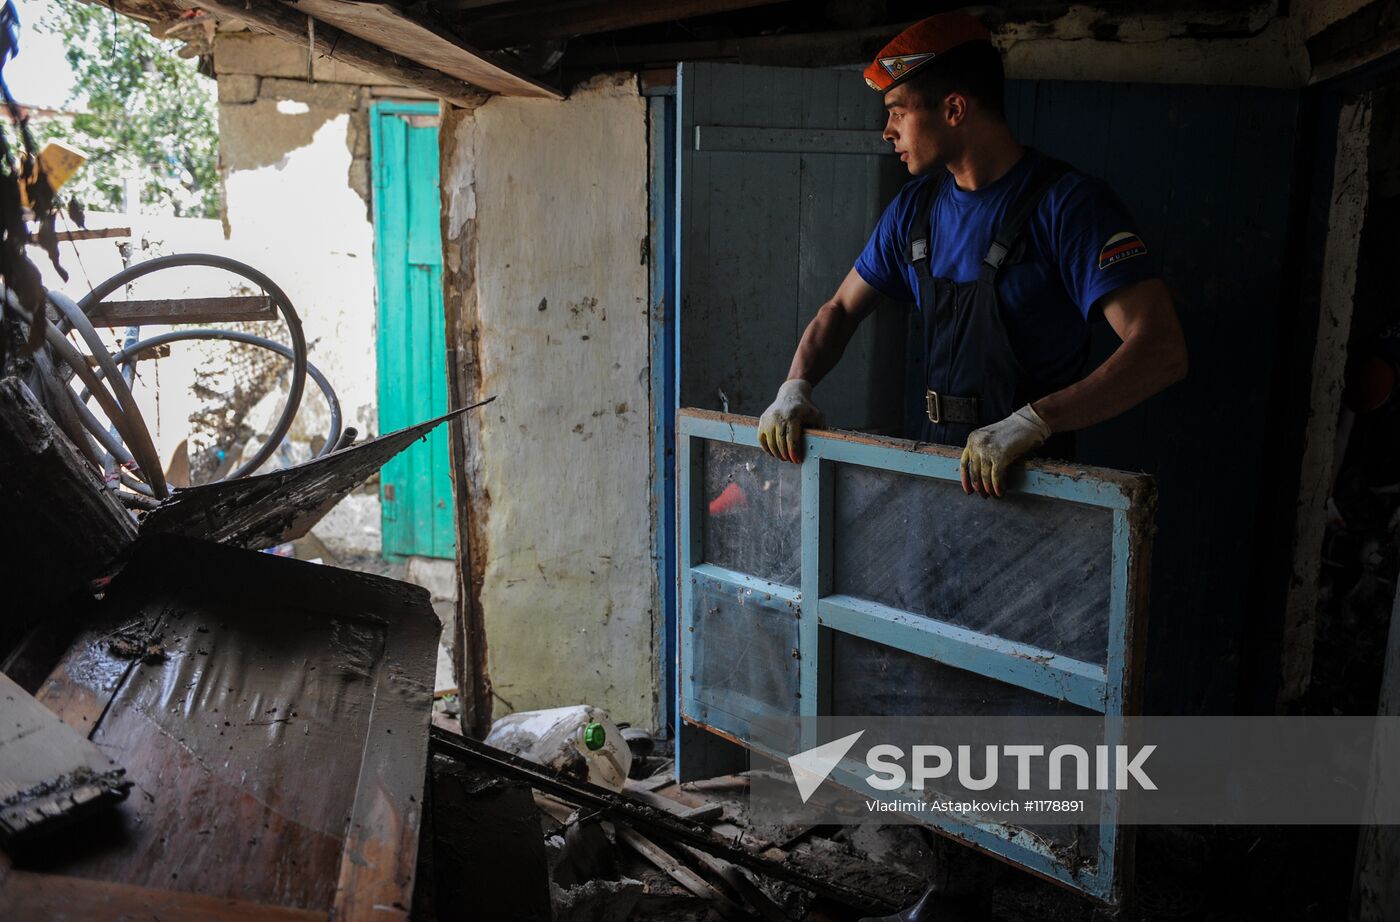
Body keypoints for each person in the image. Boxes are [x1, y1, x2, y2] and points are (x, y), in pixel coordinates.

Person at [755, 12, 1188, 502]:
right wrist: (795, 387)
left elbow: (1161, 351)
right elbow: (840, 308)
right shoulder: (914, 210)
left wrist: (1034, 421)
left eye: (898, 112)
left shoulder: (1069, 206)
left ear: (954, 109)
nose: (886, 131)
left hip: (1035, 489)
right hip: (936, 475)